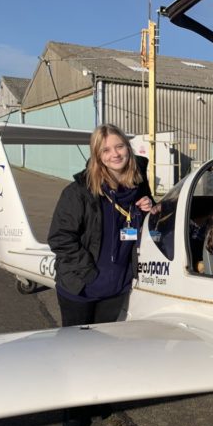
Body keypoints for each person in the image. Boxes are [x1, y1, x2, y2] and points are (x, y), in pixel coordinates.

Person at [48, 123, 155, 327]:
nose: (114, 154)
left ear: (128, 148)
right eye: (105, 150)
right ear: (97, 155)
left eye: (120, 146)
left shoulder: (138, 185)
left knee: (103, 349)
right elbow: (60, 238)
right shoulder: (78, 192)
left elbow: (151, 220)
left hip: (116, 289)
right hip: (81, 288)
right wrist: (89, 274)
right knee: (75, 350)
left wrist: (150, 206)